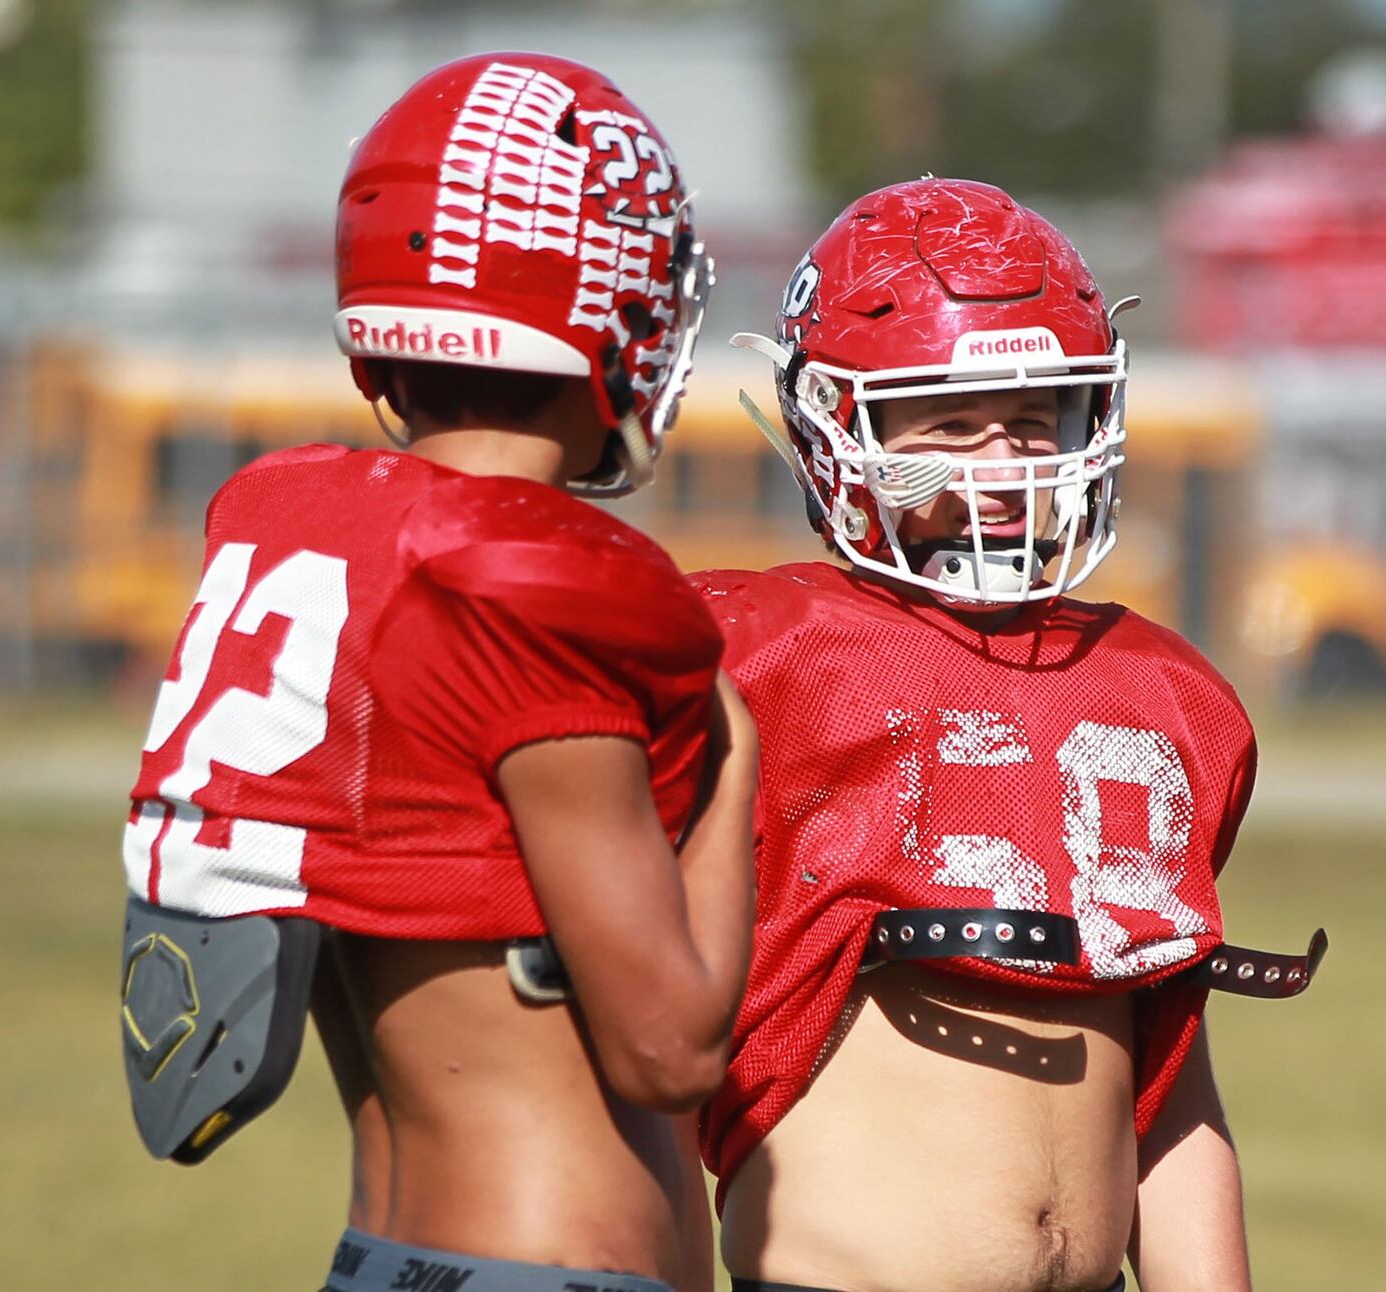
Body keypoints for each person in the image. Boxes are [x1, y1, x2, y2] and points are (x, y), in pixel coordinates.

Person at [118, 53, 756, 1292]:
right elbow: (669, 1050)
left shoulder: (289, 516)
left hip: (381, 1247)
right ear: (611, 300)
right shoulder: (533, 579)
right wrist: (734, 757)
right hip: (558, 1251)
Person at [695, 178, 1325, 1292]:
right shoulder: (760, 653)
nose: (1001, 460)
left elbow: (1168, 1072)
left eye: (1034, 416)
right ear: (836, 427)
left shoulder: (1154, 685)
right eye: (947, 419)